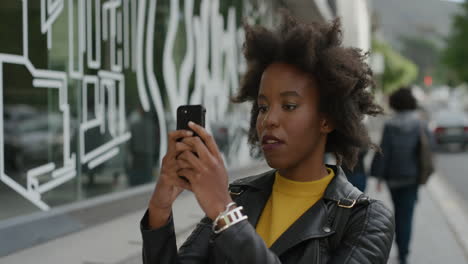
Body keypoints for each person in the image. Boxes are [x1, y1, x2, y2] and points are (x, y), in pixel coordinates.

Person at [140, 14, 395, 264]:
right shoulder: (239, 195)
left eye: (290, 105)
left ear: (326, 120)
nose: (268, 120)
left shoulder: (366, 220)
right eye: (262, 107)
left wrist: (225, 212)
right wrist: (160, 210)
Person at [371, 87, 431, 264]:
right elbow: (429, 148)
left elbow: (384, 151)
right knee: (407, 215)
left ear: (395, 103)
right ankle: (404, 253)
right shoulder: (420, 124)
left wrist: (379, 177)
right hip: (412, 177)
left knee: (398, 213)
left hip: (393, 178)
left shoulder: (390, 125)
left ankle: (400, 247)